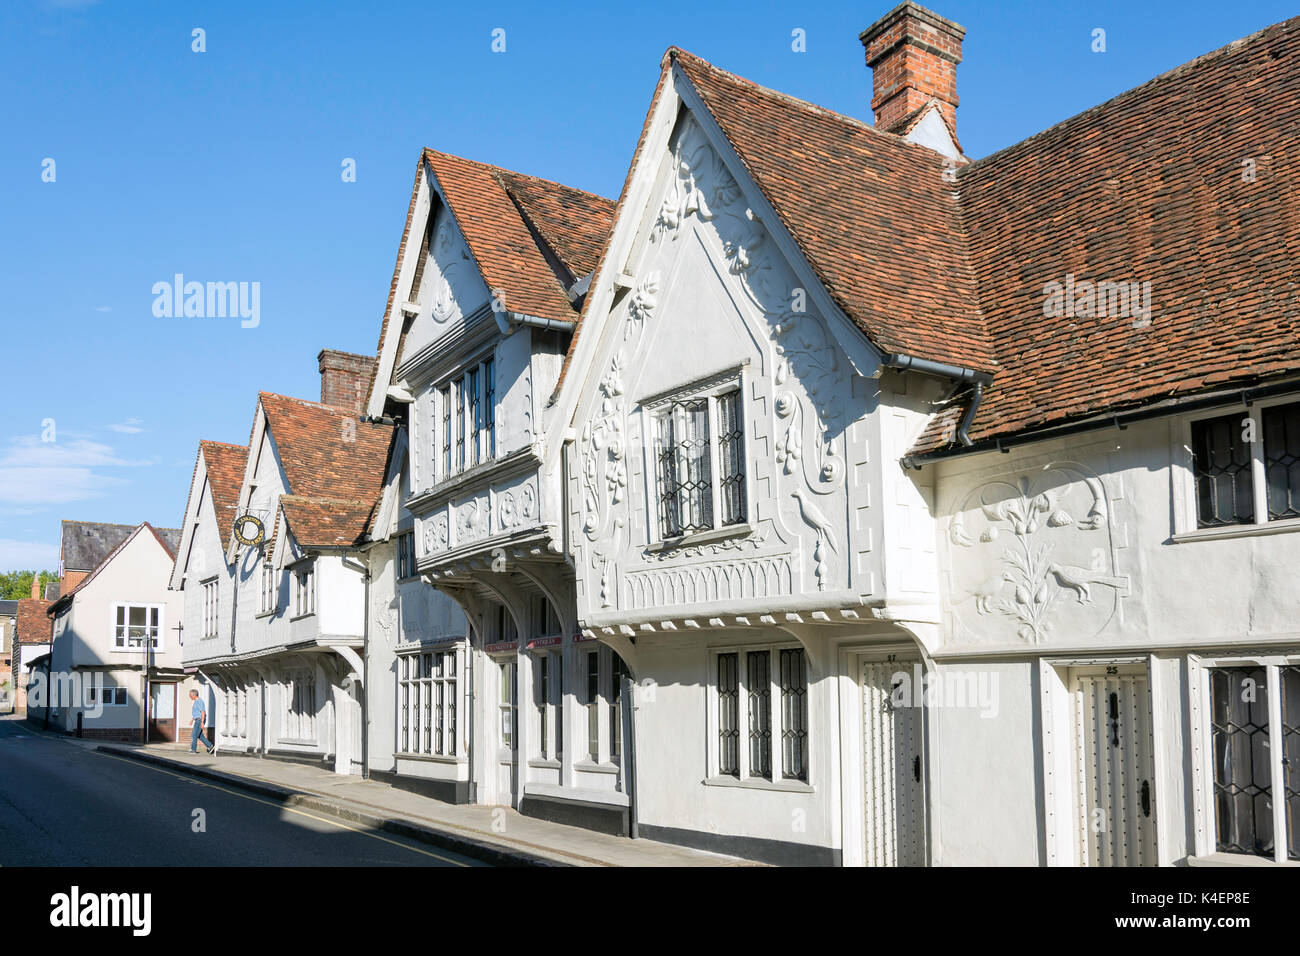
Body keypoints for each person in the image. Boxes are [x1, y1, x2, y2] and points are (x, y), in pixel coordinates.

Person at [188, 689, 214, 754]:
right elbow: (197, 712)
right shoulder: (196, 701)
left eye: (190, 695)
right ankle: (210, 746)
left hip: (199, 721)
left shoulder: (199, 701)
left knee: (194, 735)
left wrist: (202, 722)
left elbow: (202, 712)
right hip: (197, 719)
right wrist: (192, 719)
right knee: (200, 736)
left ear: (194, 695)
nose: (189, 696)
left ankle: (193, 749)